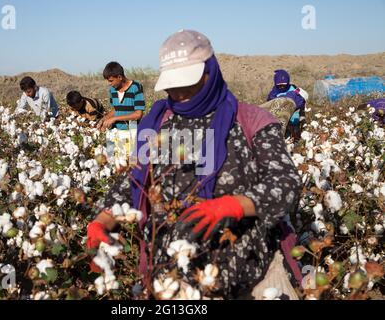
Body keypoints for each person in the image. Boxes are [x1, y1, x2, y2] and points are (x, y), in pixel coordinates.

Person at [88, 30, 303, 299]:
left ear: (210, 73)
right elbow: (131, 184)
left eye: (186, 83)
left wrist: (234, 205)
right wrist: (101, 222)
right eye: (172, 84)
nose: (178, 92)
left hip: (252, 282)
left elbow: (285, 185)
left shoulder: (249, 120)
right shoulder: (161, 124)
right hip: (171, 281)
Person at [97, 62, 145, 132]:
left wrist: (114, 119)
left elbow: (138, 114)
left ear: (120, 77)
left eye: (111, 81)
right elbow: (116, 109)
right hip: (116, 131)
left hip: (132, 131)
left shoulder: (136, 87)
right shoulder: (112, 90)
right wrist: (104, 119)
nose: (109, 84)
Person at [265, 70, 308, 140]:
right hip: (281, 116)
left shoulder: (293, 89)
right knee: (283, 133)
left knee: (295, 132)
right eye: (279, 86)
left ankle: (296, 141)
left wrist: (301, 114)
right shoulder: (273, 92)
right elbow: (270, 103)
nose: (282, 87)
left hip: (294, 115)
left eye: (284, 85)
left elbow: (301, 101)